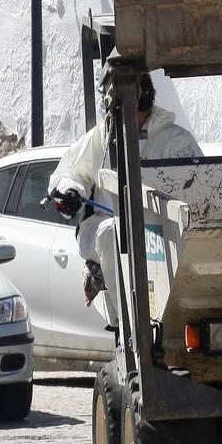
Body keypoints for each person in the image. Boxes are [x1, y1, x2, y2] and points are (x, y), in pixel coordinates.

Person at [49, 71, 200, 327]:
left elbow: (198, 184)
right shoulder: (103, 136)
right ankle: (132, 326)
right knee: (111, 231)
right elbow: (70, 172)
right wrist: (70, 190)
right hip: (106, 228)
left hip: (161, 233)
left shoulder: (174, 139)